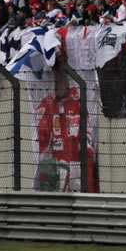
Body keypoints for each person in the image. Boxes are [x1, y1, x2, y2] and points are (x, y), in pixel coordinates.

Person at [37, 64, 99, 193]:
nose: (59, 84)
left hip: (77, 163)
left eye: (62, 80)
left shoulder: (79, 101)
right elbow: (42, 141)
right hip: (55, 166)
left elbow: (88, 141)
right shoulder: (46, 104)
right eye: (57, 80)